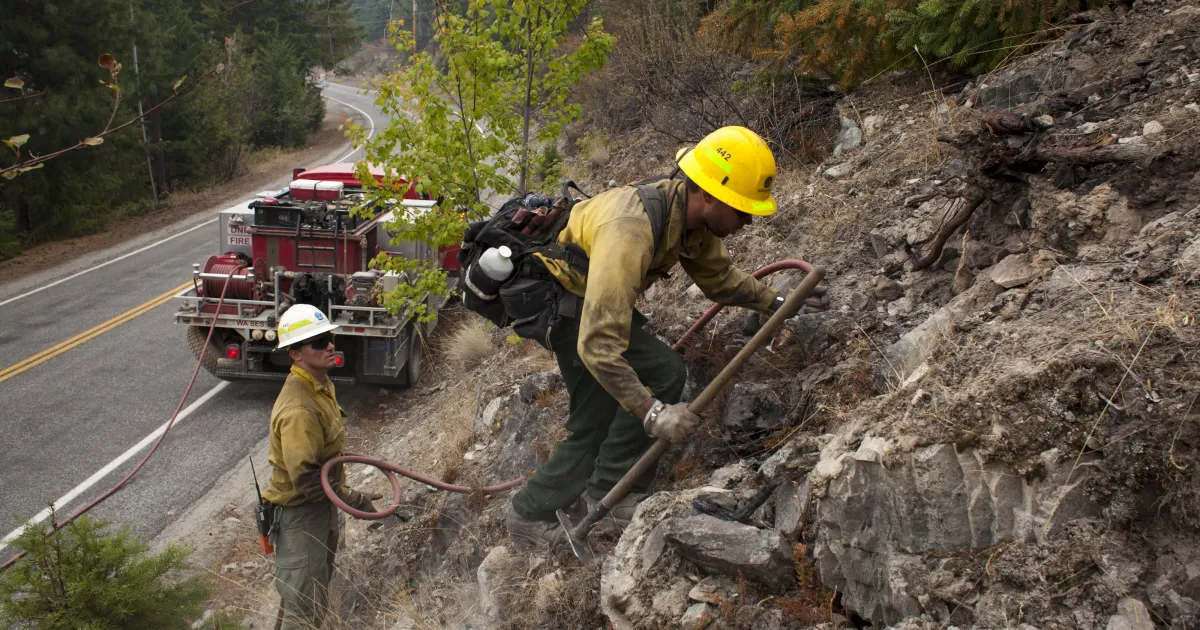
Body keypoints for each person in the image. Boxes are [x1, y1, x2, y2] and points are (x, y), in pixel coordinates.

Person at [505, 126, 787, 548]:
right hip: (564, 305)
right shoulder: (631, 229)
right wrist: (652, 414)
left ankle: (609, 490)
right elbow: (598, 344)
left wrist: (774, 301)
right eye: (742, 209)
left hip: (591, 298)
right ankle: (530, 515)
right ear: (709, 195)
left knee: (659, 372)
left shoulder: (689, 218)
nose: (747, 221)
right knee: (601, 413)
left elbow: (719, 279)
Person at [263, 304, 380, 629]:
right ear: (296, 354)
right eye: (317, 341)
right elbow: (309, 480)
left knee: (310, 600)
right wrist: (353, 499)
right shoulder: (299, 406)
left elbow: (324, 455)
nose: (329, 345)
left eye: (328, 337)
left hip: (316, 513)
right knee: (303, 613)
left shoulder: (319, 385)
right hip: (302, 517)